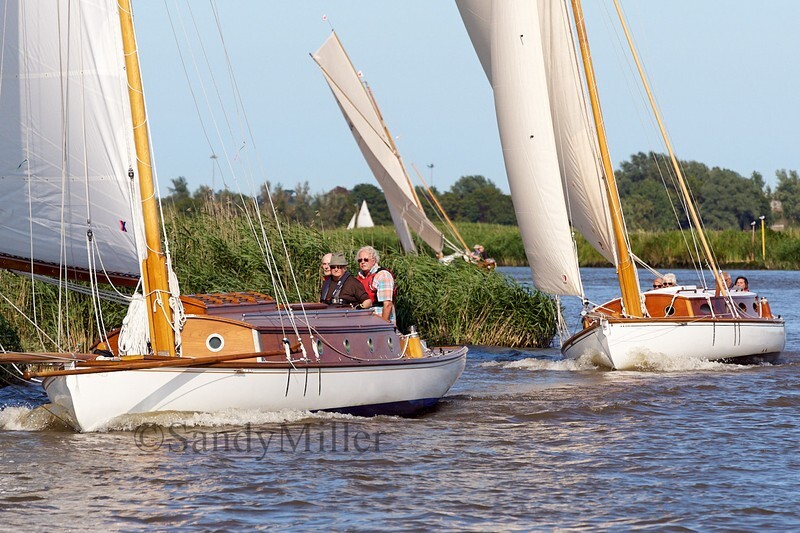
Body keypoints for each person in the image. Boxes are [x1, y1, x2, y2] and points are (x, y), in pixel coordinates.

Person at [356, 245, 396, 323]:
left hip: (380, 320)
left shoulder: (382, 275)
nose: (362, 262)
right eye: (360, 260)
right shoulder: (359, 278)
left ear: (374, 261)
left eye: (366, 260)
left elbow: (387, 304)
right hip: (365, 321)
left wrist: (384, 325)